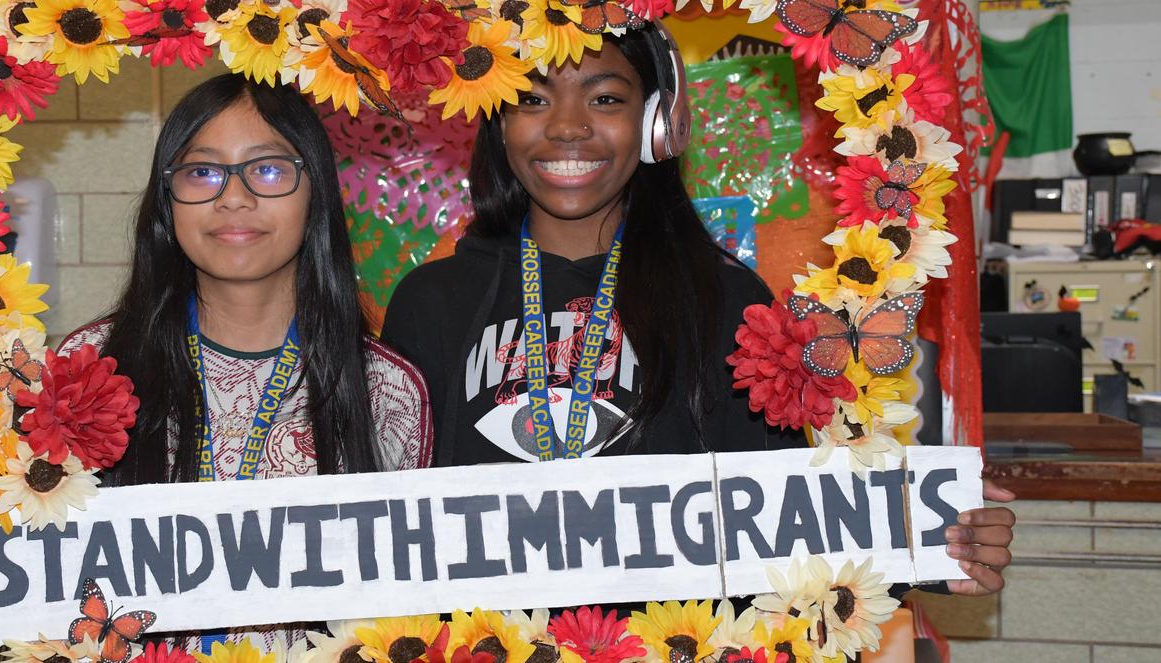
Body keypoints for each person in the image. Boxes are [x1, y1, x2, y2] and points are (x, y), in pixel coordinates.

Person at [381, 24, 1014, 597]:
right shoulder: (431, 302)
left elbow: (782, 503)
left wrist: (922, 535)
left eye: (605, 99)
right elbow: (375, 521)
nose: (567, 127)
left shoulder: (727, 298)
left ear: (659, 124)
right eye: (533, 99)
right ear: (496, 121)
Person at [0, 73, 432, 663]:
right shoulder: (81, 374)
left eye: (269, 169)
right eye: (202, 171)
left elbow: (419, 608)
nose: (234, 196)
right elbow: (30, 594)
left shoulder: (387, 389)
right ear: (168, 200)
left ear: (315, 192)